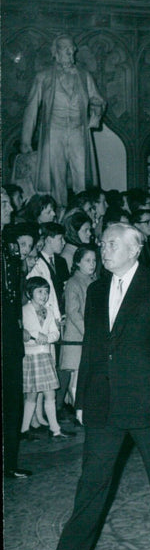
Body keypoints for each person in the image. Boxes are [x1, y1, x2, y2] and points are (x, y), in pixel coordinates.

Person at [33, 223, 150, 550]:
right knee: (92, 481)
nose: (104, 249)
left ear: (135, 249)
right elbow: (92, 346)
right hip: (103, 400)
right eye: (103, 244)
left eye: (113, 244)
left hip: (149, 401)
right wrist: (83, 399)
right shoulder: (98, 287)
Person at [20, 35, 105, 207]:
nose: (69, 51)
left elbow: (98, 100)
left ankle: (83, 213)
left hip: (77, 131)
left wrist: (95, 115)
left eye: (71, 48)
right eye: (64, 48)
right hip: (54, 132)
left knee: (82, 175)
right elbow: (31, 109)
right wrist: (25, 140)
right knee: (55, 178)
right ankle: (58, 213)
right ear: (55, 52)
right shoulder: (43, 77)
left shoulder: (84, 75)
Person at [2, 189, 33, 478]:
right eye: (3, 205)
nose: (9, 209)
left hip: (9, 337)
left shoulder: (9, 245)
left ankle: (8, 463)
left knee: (11, 400)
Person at [20, 276, 65, 440]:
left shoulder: (50, 311)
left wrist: (48, 338)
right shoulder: (24, 311)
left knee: (50, 394)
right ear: (29, 293)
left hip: (45, 356)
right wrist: (33, 336)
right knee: (31, 395)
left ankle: (55, 429)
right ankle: (24, 430)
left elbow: (55, 332)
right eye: (39, 291)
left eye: (46, 292)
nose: (44, 295)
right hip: (31, 356)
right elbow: (23, 333)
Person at [59, 245, 96, 407]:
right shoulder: (74, 282)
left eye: (94, 260)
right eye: (88, 260)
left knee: (83, 374)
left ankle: (79, 407)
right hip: (77, 336)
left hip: (87, 335)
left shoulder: (93, 281)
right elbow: (73, 312)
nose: (92, 264)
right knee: (76, 374)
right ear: (78, 262)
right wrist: (88, 331)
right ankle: (78, 408)